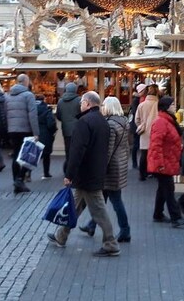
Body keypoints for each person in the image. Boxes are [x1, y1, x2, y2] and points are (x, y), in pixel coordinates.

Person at [46, 92, 120, 257]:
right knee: (76, 205)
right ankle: (61, 235)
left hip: (86, 174)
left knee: (99, 209)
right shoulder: (103, 121)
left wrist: (69, 174)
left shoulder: (83, 122)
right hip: (96, 171)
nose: (80, 106)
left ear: (87, 103)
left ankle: (110, 243)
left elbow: (77, 151)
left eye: (81, 103)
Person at [80, 96, 131, 242]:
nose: (102, 108)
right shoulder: (124, 122)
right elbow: (126, 147)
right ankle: (91, 225)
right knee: (103, 198)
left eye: (103, 106)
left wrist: (100, 168)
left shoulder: (110, 125)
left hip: (111, 169)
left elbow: (107, 151)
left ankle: (125, 230)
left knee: (115, 200)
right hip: (119, 165)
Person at [147, 96, 184, 227]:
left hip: (167, 160)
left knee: (163, 188)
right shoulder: (161, 122)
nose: (174, 106)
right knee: (168, 188)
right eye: (172, 104)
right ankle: (176, 217)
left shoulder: (168, 120)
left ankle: (158, 214)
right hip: (163, 162)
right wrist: (159, 163)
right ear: (166, 107)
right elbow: (156, 144)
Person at [4, 74, 40, 193]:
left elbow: (5, 114)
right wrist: (36, 132)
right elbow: (32, 114)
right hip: (25, 129)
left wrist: (8, 128)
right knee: (27, 156)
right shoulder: (28, 95)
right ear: (25, 81)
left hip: (12, 130)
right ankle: (20, 179)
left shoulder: (8, 96)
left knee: (16, 155)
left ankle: (16, 181)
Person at [134, 84, 159, 181]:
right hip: (156, 131)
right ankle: (153, 172)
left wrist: (142, 126)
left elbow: (137, 119)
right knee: (155, 153)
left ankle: (142, 174)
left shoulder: (142, 105)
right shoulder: (158, 104)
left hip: (144, 132)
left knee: (144, 153)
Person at [55, 82, 81, 161]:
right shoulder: (79, 100)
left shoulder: (60, 101)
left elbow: (58, 116)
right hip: (77, 129)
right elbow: (82, 114)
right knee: (77, 149)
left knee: (68, 149)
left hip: (66, 129)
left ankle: (68, 167)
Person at [35, 94, 57, 179]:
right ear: (43, 100)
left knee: (32, 154)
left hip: (34, 134)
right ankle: (46, 173)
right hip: (46, 135)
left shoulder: (31, 109)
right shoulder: (47, 110)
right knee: (46, 155)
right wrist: (53, 131)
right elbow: (51, 124)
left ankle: (26, 173)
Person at [128, 83, 145, 170]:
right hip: (136, 125)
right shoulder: (136, 100)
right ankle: (134, 162)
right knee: (136, 144)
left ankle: (137, 162)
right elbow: (135, 113)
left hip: (137, 124)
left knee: (138, 144)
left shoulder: (141, 99)